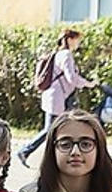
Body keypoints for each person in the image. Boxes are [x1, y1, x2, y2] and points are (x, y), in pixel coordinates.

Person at [19, 28, 93, 166]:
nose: (78, 43)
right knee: (51, 129)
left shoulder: (59, 54)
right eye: (77, 40)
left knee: (63, 129)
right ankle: (25, 151)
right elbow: (71, 78)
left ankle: (58, 158)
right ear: (70, 39)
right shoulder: (66, 55)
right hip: (57, 98)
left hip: (57, 97)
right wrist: (88, 84)